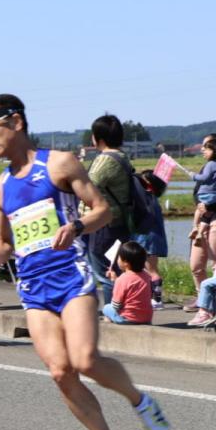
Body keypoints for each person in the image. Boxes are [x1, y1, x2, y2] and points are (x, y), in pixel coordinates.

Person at [0, 94, 170, 430]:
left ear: (16, 123)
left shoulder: (59, 164)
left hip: (70, 276)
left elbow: (103, 209)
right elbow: (4, 241)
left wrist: (77, 226)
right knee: (60, 371)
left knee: (85, 360)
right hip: (33, 288)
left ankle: (141, 402)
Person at [82, 114, 133, 304]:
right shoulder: (122, 157)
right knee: (114, 268)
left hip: (103, 224)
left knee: (106, 271)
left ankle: (113, 312)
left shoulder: (105, 160)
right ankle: (120, 309)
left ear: (99, 138)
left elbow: (87, 186)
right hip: (118, 222)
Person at [185, 135, 216, 298]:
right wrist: (200, 203)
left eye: (206, 146)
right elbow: (197, 191)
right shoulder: (208, 166)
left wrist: (210, 206)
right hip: (202, 218)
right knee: (196, 265)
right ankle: (202, 300)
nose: (202, 149)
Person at [133, 170, 169, 309]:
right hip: (153, 237)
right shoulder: (152, 197)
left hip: (147, 238)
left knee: (151, 270)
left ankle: (157, 299)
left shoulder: (146, 197)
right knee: (151, 269)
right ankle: (153, 297)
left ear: (148, 182)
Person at [101, 242, 153, 325]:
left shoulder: (122, 279)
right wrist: (115, 280)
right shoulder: (146, 276)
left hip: (127, 319)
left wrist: (116, 282)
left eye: (119, 257)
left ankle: (109, 325)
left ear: (126, 263)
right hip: (146, 318)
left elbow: (115, 306)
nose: (117, 259)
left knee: (106, 308)